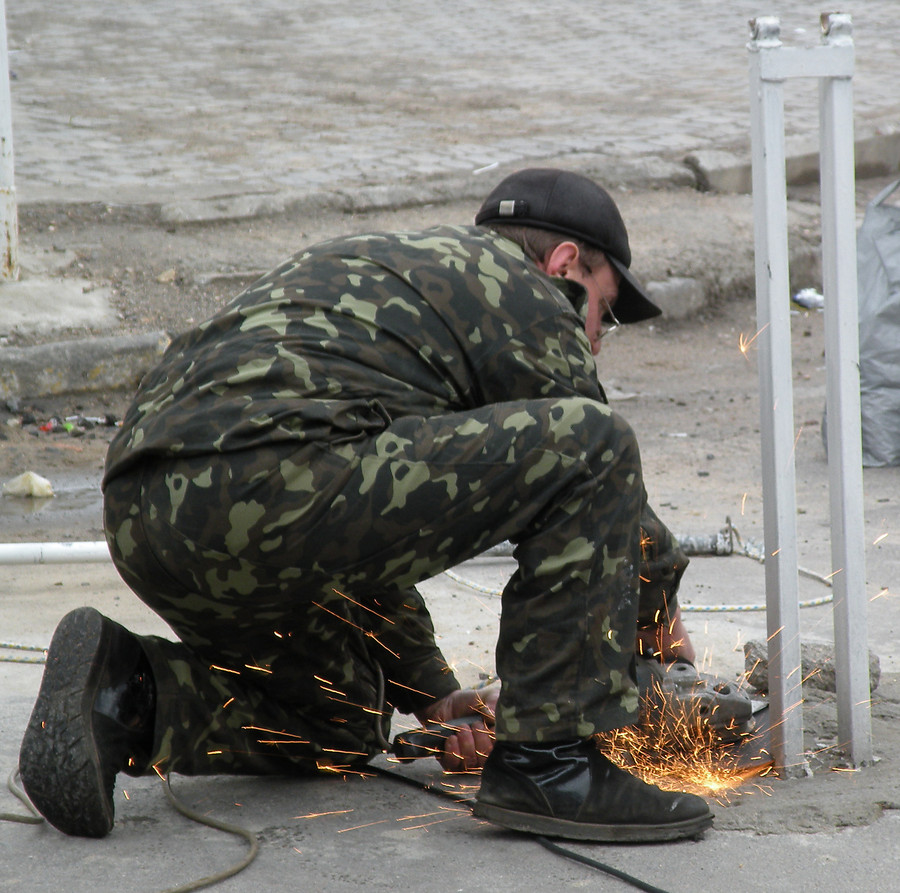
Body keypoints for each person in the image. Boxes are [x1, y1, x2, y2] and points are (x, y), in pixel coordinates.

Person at [19, 168, 712, 843]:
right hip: (267, 490)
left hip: (147, 514)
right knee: (597, 445)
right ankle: (550, 766)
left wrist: (434, 693)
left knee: (341, 717)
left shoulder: (390, 275)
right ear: (565, 263)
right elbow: (610, 498)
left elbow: (368, 506)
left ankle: (125, 692)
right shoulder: (525, 291)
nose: (595, 337)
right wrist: (661, 645)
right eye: (604, 311)